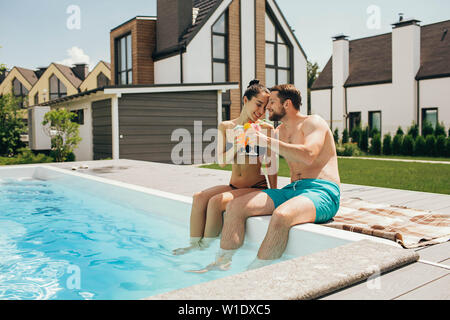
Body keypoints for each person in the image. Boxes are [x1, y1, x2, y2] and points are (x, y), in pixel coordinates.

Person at [191, 84, 341, 272]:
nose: (266, 109)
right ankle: (221, 263)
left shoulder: (313, 122)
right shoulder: (279, 132)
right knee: (235, 207)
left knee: (281, 215)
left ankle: (254, 273)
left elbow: (308, 155)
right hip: (292, 190)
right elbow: (266, 162)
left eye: (271, 103)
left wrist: (265, 140)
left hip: (322, 191)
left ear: (286, 104)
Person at [173, 80, 277, 255]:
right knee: (199, 197)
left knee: (216, 202)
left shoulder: (265, 129)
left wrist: (275, 194)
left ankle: (205, 248)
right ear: (245, 100)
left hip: (255, 188)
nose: (260, 112)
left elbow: (271, 165)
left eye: (264, 108)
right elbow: (221, 162)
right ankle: (193, 244)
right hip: (234, 186)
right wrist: (237, 144)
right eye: (258, 104)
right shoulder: (226, 126)